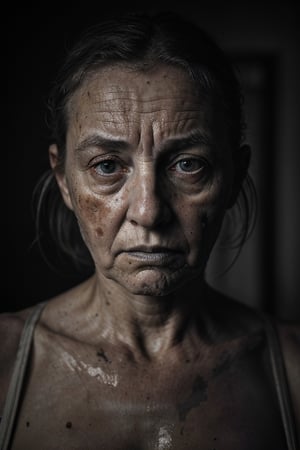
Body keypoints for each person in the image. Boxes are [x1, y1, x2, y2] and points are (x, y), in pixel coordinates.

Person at [1, 11, 299, 450]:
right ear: (64, 180)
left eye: (187, 164)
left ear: (234, 178)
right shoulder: (5, 365)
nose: (148, 210)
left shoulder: (291, 373)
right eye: (107, 166)